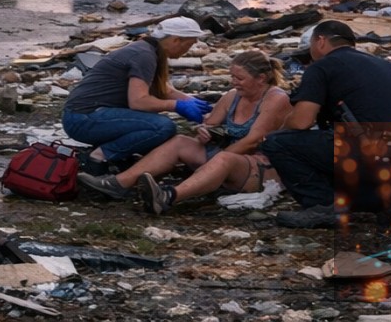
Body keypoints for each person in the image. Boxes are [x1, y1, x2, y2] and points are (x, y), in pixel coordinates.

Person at [261, 21, 391, 228]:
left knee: (276, 142)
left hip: (374, 154)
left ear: (320, 41)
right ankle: (385, 201)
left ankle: (323, 207)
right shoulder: (382, 64)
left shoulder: (323, 66)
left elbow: (302, 121)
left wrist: (281, 127)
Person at [79, 50, 290, 210]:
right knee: (180, 141)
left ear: (261, 78)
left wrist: (215, 160)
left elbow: (253, 141)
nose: (234, 82)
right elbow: (210, 123)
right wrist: (203, 131)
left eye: (240, 78)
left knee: (223, 159)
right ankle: (118, 183)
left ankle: (167, 197)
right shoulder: (233, 96)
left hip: (259, 166)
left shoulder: (275, 99)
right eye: (232, 77)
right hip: (227, 157)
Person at [60, 17, 209, 175]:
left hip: (89, 115)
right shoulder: (144, 55)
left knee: (157, 130)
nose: (189, 49)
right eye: (190, 44)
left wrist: (197, 105)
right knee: (162, 127)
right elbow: (138, 102)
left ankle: (117, 156)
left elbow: (164, 90)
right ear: (176, 40)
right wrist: (176, 106)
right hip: (83, 118)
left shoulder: (148, 49)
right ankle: (98, 157)